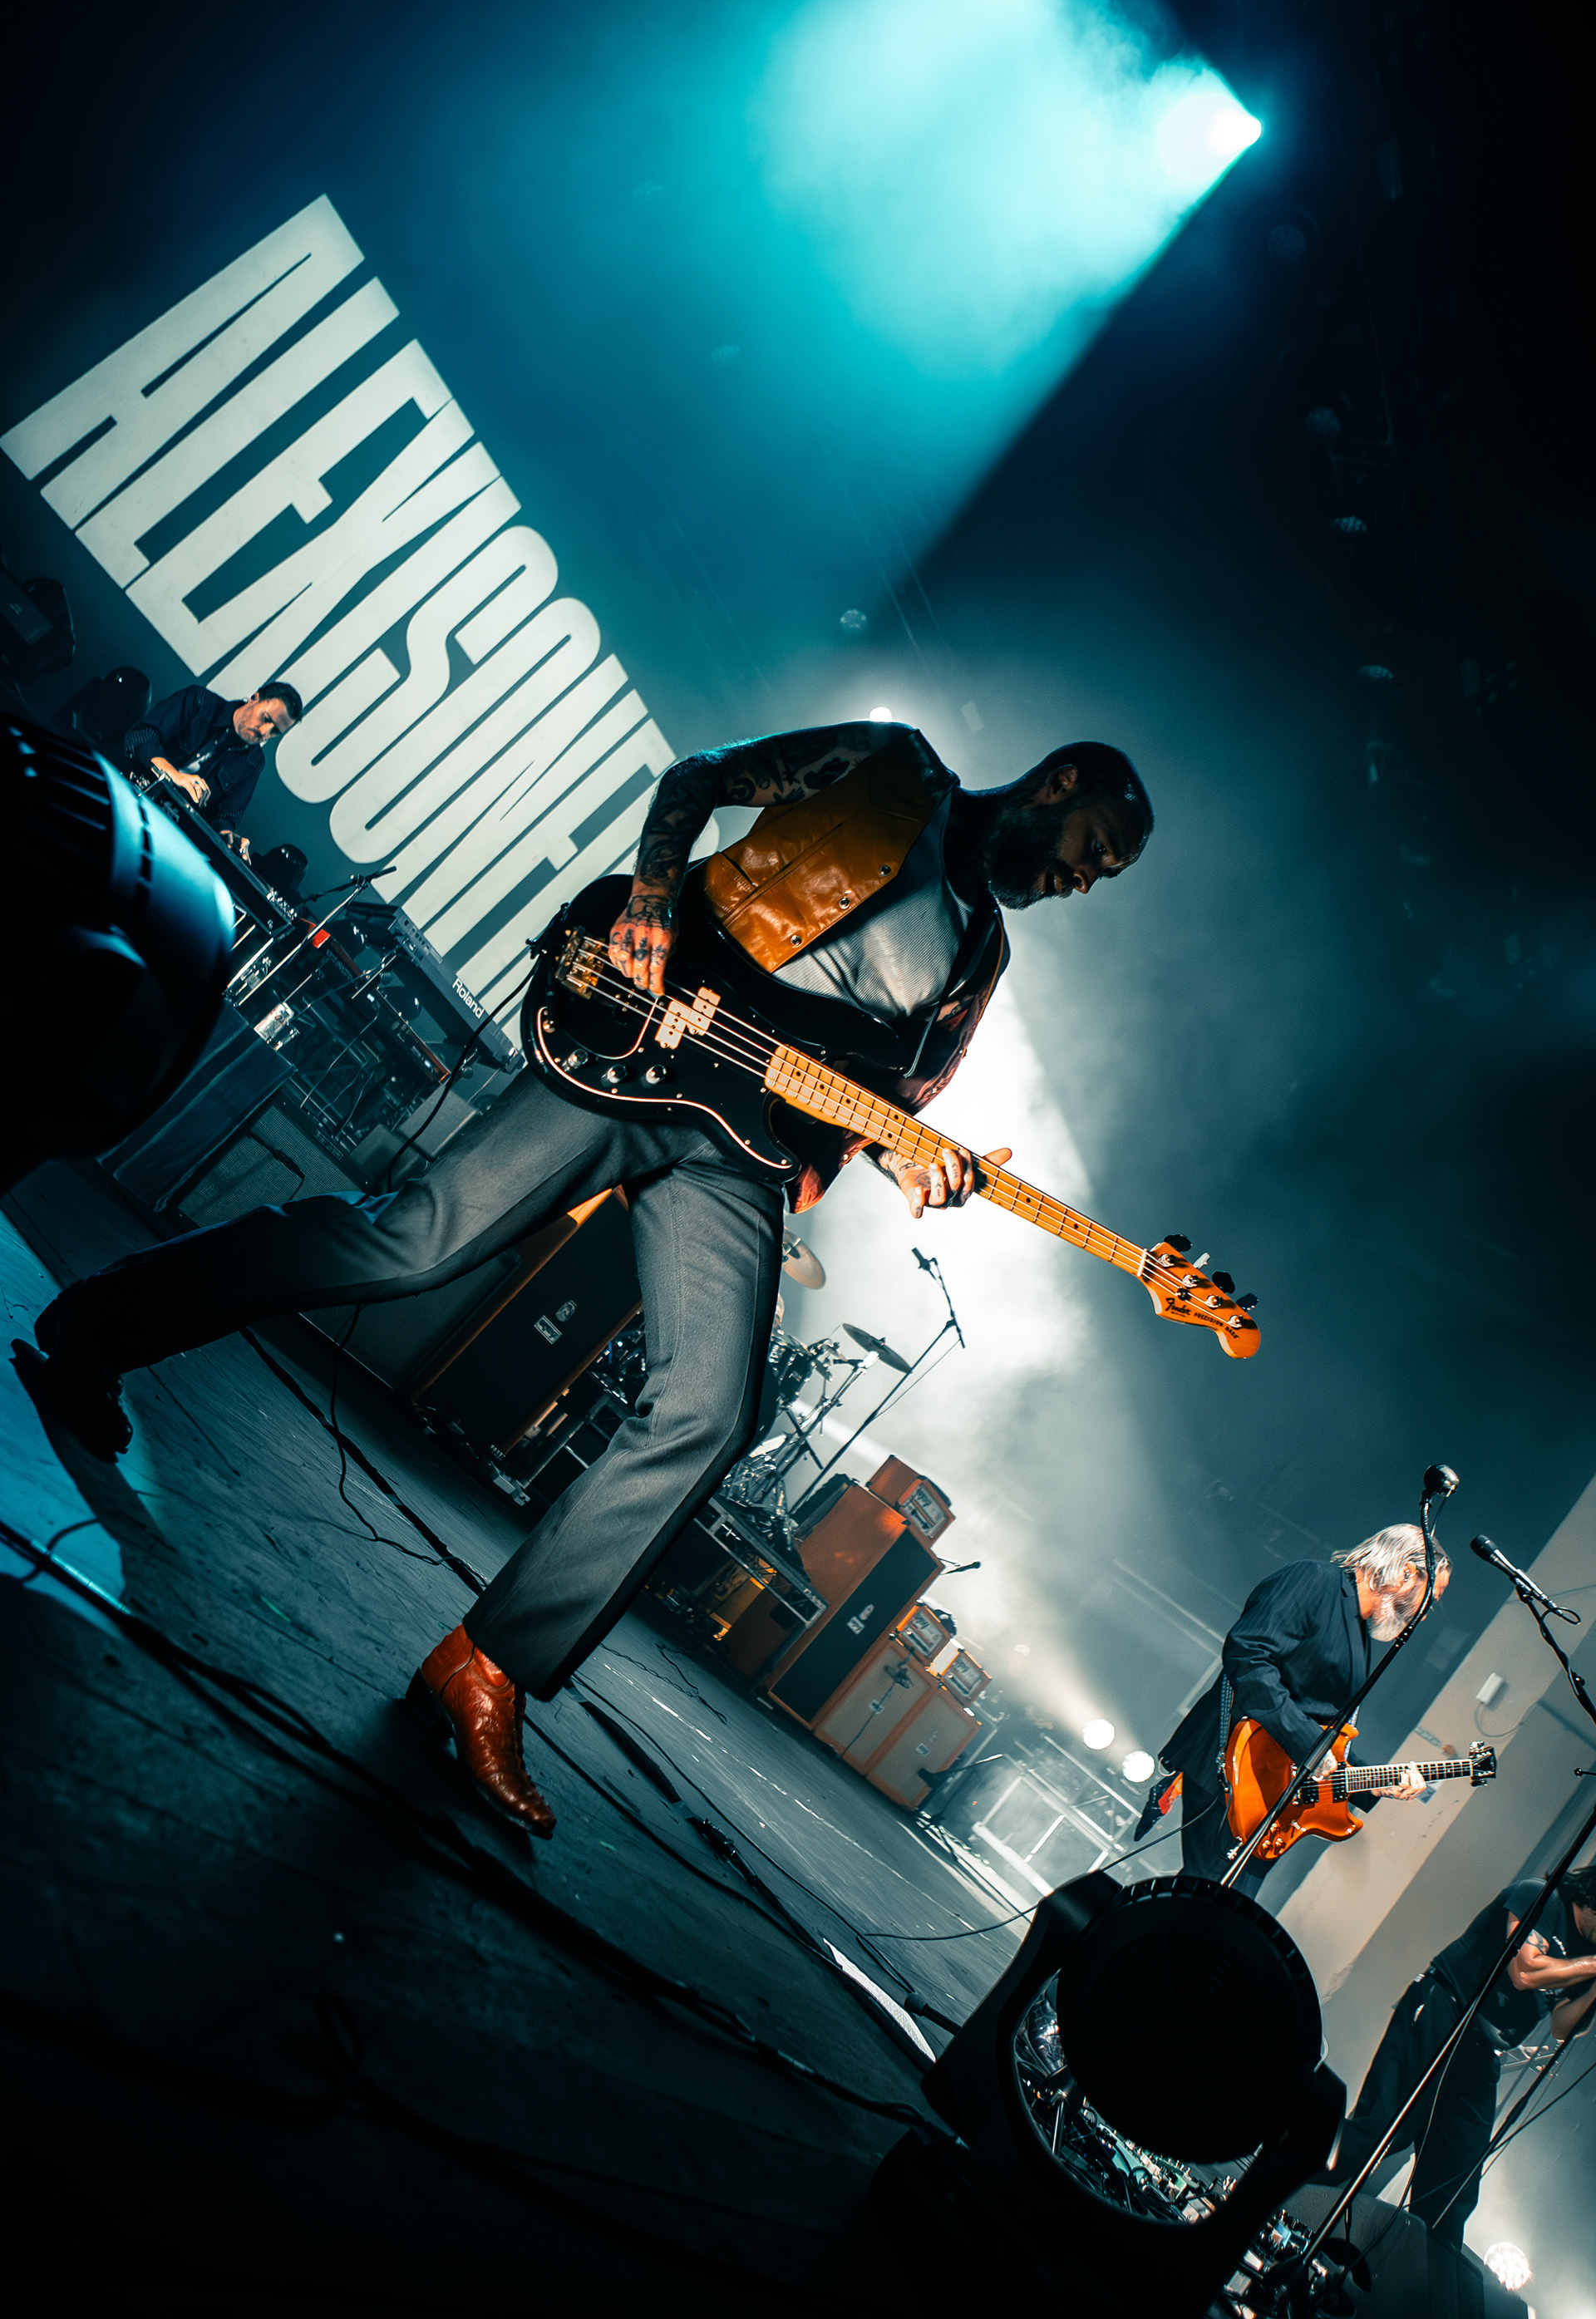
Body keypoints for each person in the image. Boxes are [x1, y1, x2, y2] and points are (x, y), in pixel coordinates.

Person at [20, 721, 1152, 1835]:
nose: (1085, 878)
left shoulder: (980, 957)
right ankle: (101, 1326)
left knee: (710, 1414)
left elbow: (882, 1102)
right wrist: (652, 901)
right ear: (1061, 781)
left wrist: (913, 1163)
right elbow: (701, 778)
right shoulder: (893, 767)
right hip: (644, 1040)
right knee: (411, 1245)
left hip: (743, 1149)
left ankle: (487, 1667)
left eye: (1104, 875)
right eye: (1096, 848)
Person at [1150, 1525, 1444, 1897]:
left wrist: (1376, 1782)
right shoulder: (1316, 1581)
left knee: (1209, 1908)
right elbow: (1249, 1654)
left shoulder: (1359, 1633)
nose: (1425, 1613)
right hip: (1235, 1764)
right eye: (1430, 1597)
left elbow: (1319, 1727)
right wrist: (1308, 1746)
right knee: (1206, 1905)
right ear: (1406, 1574)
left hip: (1272, 1792)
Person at [1326, 1864, 1596, 2244]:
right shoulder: (1542, 1896)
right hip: (1446, 2010)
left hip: (1484, 2051)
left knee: (1452, 2189)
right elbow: (1524, 1971)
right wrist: (1590, 1965)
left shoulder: (1588, 1955)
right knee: (1383, 2131)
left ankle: (1407, 2271)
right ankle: (1275, 2193)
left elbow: (1563, 2027)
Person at [125, 678, 303, 859]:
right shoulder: (199, 700)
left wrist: (228, 836)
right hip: (128, 792)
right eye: (266, 718)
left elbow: (225, 817)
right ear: (254, 698)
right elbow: (141, 735)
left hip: (168, 834)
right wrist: (173, 774)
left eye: (275, 731)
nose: (264, 732)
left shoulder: (255, 761)